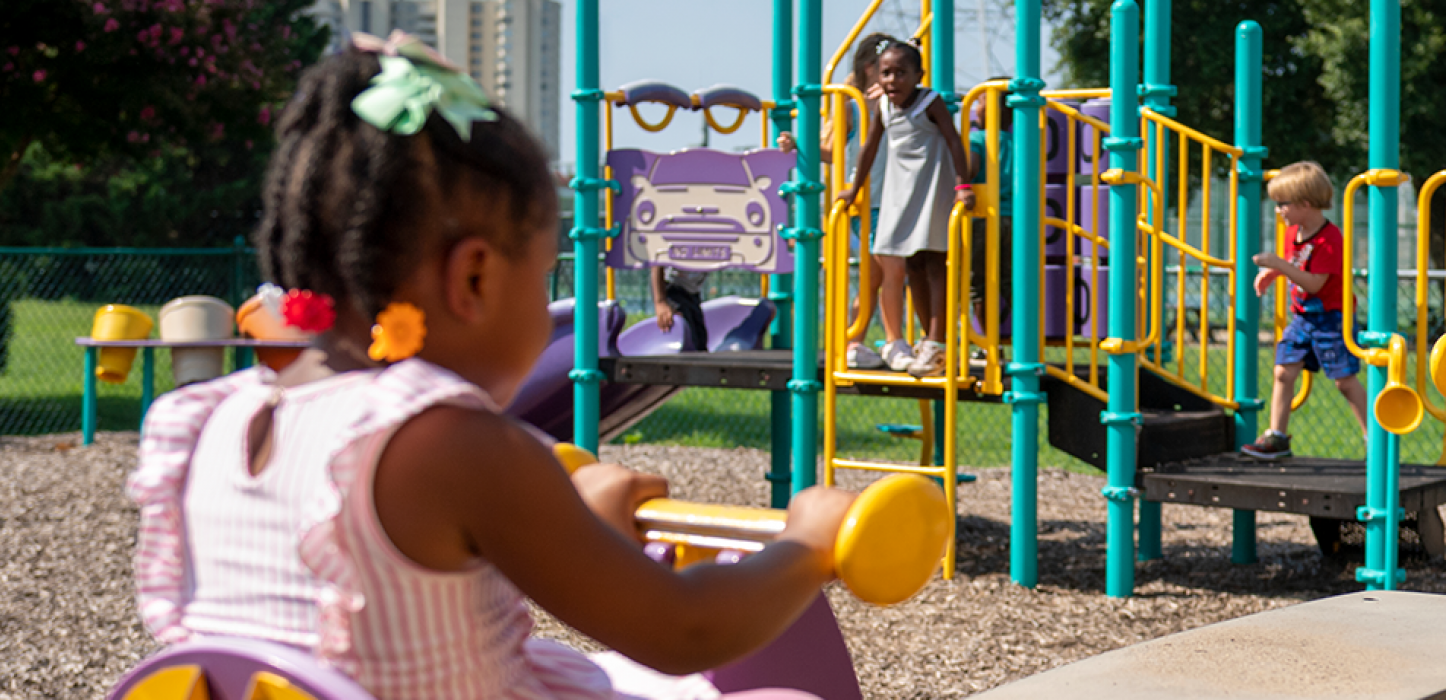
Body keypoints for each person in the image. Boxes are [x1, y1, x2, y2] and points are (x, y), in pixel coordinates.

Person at [126, 36, 853, 700]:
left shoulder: (202, 424)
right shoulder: (445, 440)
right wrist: (805, 544)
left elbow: (396, 587)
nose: (546, 309)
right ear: (474, 279)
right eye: (540, 278)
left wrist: (580, 522)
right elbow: (683, 631)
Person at [837, 39, 972, 377]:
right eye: (886, 73)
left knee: (935, 265)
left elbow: (954, 141)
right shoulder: (883, 107)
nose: (892, 80)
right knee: (912, 267)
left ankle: (939, 342)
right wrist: (854, 189)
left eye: (901, 73)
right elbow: (869, 147)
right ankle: (929, 340)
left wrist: (962, 186)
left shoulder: (930, 102)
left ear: (918, 76)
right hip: (903, 195)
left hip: (932, 193)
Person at [778, 33, 894, 370]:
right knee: (877, 274)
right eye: (888, 70)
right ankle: (855, 341)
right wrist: (800, 143)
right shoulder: (852, 106)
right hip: (866, 199)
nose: (893, 77)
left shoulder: (893, 102)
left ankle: (868, 340)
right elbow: (831, 151)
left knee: (884, 275)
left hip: (894, 197)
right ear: (871, 68)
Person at [1240, 161, 1368, 459]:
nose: (1279, 210)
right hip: (1303, 317)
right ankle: (1277, 437)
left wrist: (1278, 265)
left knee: (1344, 381)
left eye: (1283, 204)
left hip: (1331, 318)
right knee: (1284, 371)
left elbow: (1313, 283)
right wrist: (1272, 274)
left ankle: (1372, 437)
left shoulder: (1330, 239)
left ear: (1305, 204)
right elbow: (1297, 267)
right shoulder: (1292, 232)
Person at [966, 77, 1015, 350]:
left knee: (980, 284)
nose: (976, 107)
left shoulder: (978, 139)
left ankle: (988, 346)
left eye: (981, 100)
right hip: (1015, 219)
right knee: (1011, 281)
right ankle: (1025, 345)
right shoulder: (1019, 142)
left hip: (985, 217)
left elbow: (970, 168)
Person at [651, 265, 708, 353]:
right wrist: (660, 301)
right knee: (687, 334)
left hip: (692, 292)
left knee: (700, 339)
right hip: (672, 288)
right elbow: (656, 263)